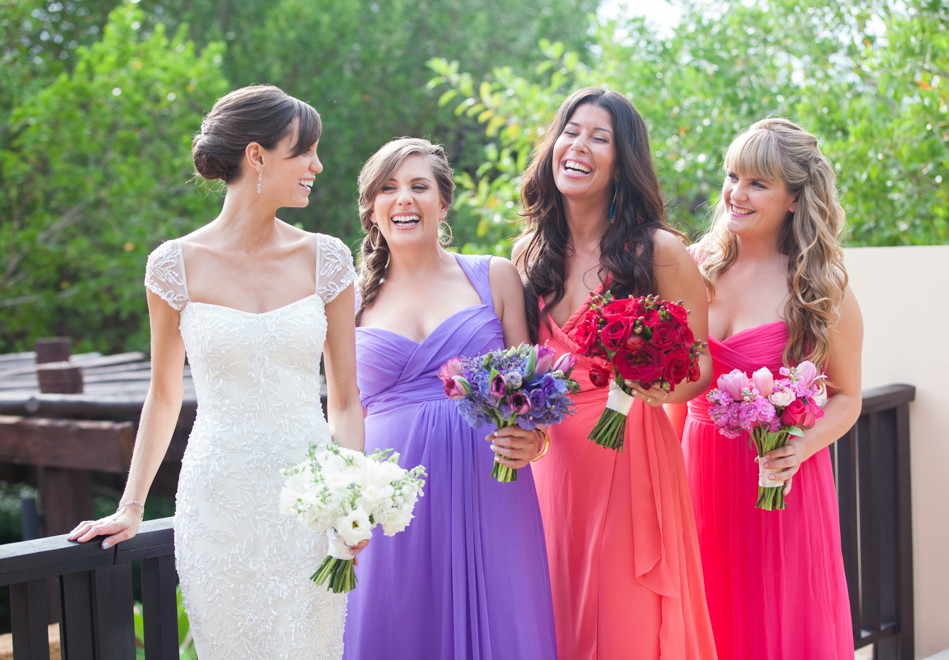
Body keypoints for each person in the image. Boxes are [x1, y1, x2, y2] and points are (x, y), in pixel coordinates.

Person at [67, 85, 364, 660]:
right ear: (257, 156)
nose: (317, 166)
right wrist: (132, 505)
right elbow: (162, 395)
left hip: (308, 505)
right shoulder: (172, 266)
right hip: (216, 503)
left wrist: (349, 502)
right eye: (304, 151)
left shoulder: (327, 259)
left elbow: (347, 400)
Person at [512, 87, 717, 659]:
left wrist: (657, 383)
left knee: (623, 616)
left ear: (622, 163)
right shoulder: (527, 252)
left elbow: (701, 361)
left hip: (629, 454)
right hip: (550, 461)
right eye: (571, 131)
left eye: (599, 138)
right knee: (553, 610)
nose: (578, 146)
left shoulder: (659, 252)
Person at [343, 137, 556, 660]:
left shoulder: (495, 277)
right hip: (390, 499)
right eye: (388, 189)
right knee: (398, 626)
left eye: (419, 187)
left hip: (490, 487)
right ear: (372, 209)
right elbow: (343, 408)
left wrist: (535, 441)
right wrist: (344, 497)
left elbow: (536, 391)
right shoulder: (346, 300)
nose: (405, 199)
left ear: (443, 203)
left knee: (501, 621)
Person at [679, 117, 862, 660]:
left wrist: (803, 445)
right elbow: (676, 387)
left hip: (782, 487)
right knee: (704, 623)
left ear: (794, 198)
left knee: (779, 627)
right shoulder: (694, 269)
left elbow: (848, 396)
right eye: (733, 176)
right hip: (698, 478)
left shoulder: (820, 287)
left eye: (757, 183)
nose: (736, 193)